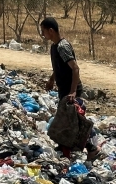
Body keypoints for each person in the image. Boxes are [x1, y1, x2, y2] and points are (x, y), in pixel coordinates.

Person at [41, 16, 99, 160]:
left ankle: (92, 149)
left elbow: (75, 68)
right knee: (66, 120)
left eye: (43, 31)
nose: (43, 35)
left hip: (71, 90)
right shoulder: (55, 47)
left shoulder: (62, 46)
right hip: (64, 89)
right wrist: (51, 79)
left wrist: (73, 91)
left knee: (75, 122)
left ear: (51, 31)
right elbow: (59, 67)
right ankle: (64, 148)